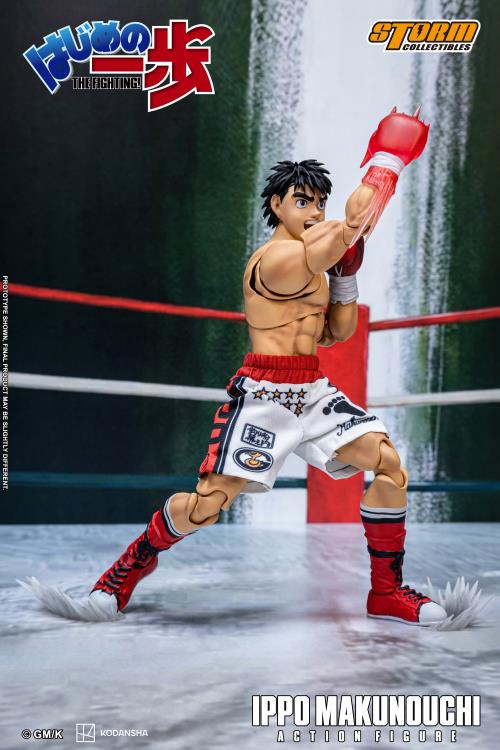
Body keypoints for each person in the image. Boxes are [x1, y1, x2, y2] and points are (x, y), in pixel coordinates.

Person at [91, 108, 446, 626]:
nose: (313, 210)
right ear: (277, 205)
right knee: (208, 505)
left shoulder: (317, 263)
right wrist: (385, 162)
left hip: (313, 391)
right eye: (303, 200)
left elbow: (336, 332)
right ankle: (131, 564)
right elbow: (348, 228)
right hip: (264, 396)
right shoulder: (274, 261)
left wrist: (346, 278)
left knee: (388, 463)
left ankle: (386, 591)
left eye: (319, 202)